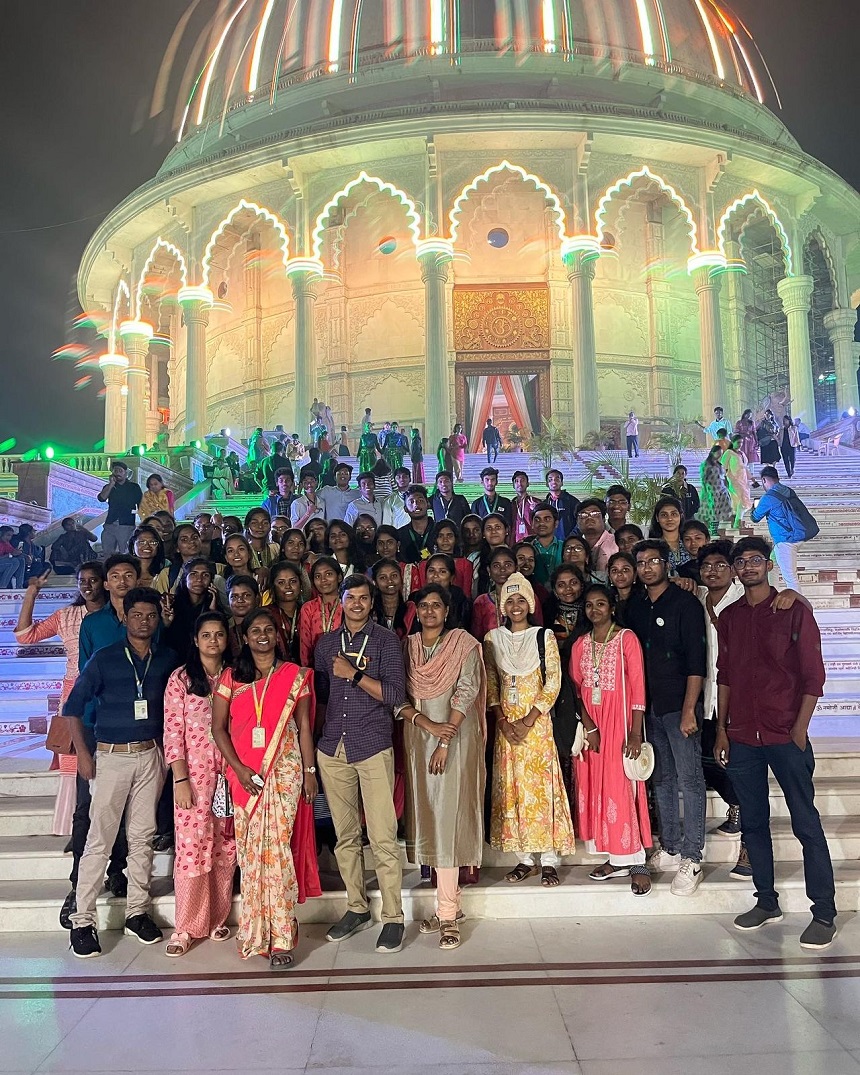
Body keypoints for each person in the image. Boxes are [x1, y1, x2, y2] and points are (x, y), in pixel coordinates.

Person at [716, 536, 835, 948]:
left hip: (785, 733)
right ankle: (766, 901)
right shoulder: (729, 617)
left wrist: (799, 730)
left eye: (755, 560)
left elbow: (813, 677)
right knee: (753, 822)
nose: (747, 567)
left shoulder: (793, 610)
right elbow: (725, 675)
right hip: (743, 736)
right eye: (740, 562)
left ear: (768, 565)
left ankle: (824, 912)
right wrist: (722, 730)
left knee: (805, 822)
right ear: (735, 571)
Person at [64, 587, 180, 957]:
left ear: (158, 619)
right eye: (137, 615)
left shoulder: (167, 659)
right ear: (125, 617)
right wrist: (84, 755)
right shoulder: (105, 658)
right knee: (100, 839)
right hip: (111, 756)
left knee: (142, 837)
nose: (144, 621)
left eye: (151, 615)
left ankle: (137, 912)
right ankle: (83, 920)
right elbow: (72, 708)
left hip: (151, 756)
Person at [212, 608, 320, 968]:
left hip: (285, 770)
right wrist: (239, 769)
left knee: (278, 851)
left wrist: (310, 771)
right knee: (250, 855)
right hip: (245, 775)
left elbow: (305, 728)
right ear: (244, 637)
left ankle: (282, 938)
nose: (262, 635)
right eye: (255, 630)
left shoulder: (295, 676)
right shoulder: (231, 677)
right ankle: (255, 934)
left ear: (277, 635)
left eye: (268, 629)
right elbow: (218, 729)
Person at [314, 574, 407, 952]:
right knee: (346, 837)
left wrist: (354, 675)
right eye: (350, 597)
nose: (356, 603)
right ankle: (357, 907)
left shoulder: (386, 640)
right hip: (333, 748)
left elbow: (395, 694)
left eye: (363, 598)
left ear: (372, 602)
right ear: (341, 601)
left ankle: (393, 916)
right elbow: (321, 695)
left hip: (371, 745)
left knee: (383, 837)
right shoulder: (325, 644)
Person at [398, 585, 486, 949]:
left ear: (447, 611)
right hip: (418, 742)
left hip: (455, 741)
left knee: (447, 821)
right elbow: (398, 696)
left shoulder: (463, 644)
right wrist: (427, 729)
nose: (430, 611)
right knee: (432, 820)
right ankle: (450, 905)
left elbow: (467, 691)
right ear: (416, 611)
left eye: (436, 605)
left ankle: (448, 915)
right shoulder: (408, 646)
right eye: (424, 606)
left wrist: (445, 740)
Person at [627, 540, 707, 896]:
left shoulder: (685, 603)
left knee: (690, 778)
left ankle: (692, 856)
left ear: (667, 563)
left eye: (653, 561)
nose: (647, 567)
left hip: (679, 705)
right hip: (650, 706)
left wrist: (690, 709)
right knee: (661, 777)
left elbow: (696, 661)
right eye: (641, 562)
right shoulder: (635, 605)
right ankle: (671, 846)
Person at [485, 573, 574, 886]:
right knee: (511, 790)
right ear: (502, 606)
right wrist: (502, 720)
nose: (515, 605)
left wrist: (528, 720)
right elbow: (491, 683)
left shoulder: (543, 636)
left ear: (530, 604)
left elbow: (553, 682)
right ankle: (524, 858)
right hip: (506, 727)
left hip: (536, 725)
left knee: (541, 789)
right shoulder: (492, 639)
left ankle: (548, 859)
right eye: (509, 600)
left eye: (521, 599)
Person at [162, 612, 237, 956]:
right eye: (206, 635)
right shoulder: (181, 679)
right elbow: (172, 732)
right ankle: (186, 927)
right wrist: (180, 778)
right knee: (192, 849)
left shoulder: (236, 676)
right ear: (195, 640)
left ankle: (217, 918)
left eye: (219, 634)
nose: (213, 641)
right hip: (193, 777)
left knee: (225, 846)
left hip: (231, 774)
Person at [571, 584, 652, 895]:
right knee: (597, 786)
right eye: (589, 605)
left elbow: (638, 687)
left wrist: (635, 733)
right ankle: (615, 858)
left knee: (621, 787)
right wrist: (589, 725)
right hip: (593, 727)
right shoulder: (580, 644)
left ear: (612, 607)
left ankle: (636, 860)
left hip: (620, 724)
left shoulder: (626, 639)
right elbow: (576, 689)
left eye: (601, 604)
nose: (595, 610)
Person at [16, 562, 107, 837]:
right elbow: (25, 636)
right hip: (75, 694)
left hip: (111, 693)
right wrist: (31, 593)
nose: (87, 585)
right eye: (82, 580)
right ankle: (74, 829)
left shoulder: (116, 614)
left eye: (93, 580)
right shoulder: (66, 616)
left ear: (104, 583)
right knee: (73, 758)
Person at [750, 466, 814, 591]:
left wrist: (754, 507)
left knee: (790, 578)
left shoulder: (768, 498)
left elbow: (755, 517)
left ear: (764, 480)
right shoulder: (788, 490)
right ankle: (772, 594)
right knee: (771, 564)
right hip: (798, 535)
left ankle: (798, 602)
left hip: (785, 541)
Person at [160, 558, 221, 656]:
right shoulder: (172, 606)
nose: (199, 579)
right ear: (185, 579)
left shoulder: (214, 607)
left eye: (205, 575)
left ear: (211, 581)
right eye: (193, 574)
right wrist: (166, 624)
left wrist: (213, 611)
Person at [298, 556, 344, 665]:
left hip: (345, 666)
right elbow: (305, 646)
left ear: (339, 577)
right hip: (317, 668)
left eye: (328, 574)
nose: (323, 580)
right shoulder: (308, 608)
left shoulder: (348, 605)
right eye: (318, 576)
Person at [98, 462, 143, 556]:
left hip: (126, 525)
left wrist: (144, 521)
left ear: (125, 473)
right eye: (115, 470)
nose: (117, 473)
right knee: (107, 552)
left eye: (120, 471)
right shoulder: (109, 487)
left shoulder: (134, 487)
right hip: (110, 523)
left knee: (125, 552)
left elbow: (141, 505)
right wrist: (111, 485)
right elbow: (101, 498)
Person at [263, 561, 303, 661]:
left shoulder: (309, 611)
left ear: (300, 584)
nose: (288, 586)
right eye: (281, 582)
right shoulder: (265, 614)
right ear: (273, 586)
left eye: (293, 581)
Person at [648, 495, 691, 575]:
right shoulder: (652, 546)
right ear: (657, 518)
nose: (669, 519)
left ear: (681, 516)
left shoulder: (690, 541)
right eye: (664, 515)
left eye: (674, 514)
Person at [576, 499, 618, 573]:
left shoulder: (616, 542)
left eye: (595, 514)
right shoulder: (574, 546)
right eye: (583, 515)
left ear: (603, 519)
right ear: (577, 522)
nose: (589, 518)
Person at [699, 445, 733, 534]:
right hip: (711, 490)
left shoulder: (719, 464)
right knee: (713, 510)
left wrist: (726, 485)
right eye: (718, 453)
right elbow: (703, 479)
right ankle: (712, 529)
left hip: (721, 489)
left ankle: (715, 528)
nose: (719, 455)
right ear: (712, 453)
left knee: (721, 509)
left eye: (720, 453)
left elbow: (723, 476)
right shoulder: (706, 464)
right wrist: (705, 491)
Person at [397, 485, 434, 564]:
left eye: (420, 500)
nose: (416, 505)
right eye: (411, 502)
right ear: (405, 508)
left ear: (428, 504)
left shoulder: (439, 530)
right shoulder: (399, 535)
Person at [722, 435, 753, 527]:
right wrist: (725, 480)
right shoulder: (728, 453)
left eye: (741, 442)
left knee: (741, 500)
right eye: (738, 442)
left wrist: (752, 479)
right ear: (733, 442)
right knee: (742, 499)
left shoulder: (742, 453)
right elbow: (723, 468)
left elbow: (744, 467)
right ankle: (737, 522)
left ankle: (736, 519)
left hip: (743, 480)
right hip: (733, 479)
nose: (740, 444)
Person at [528, 504, 563, 586]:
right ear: (532, 524)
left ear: (556, 523)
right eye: (537, 520)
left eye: (547, 519)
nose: (541, 523)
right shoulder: (526, 549)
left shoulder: (565, 547)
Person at [226, 575, 260, 657]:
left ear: (257, 599)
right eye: (234, 596)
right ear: (228, 601)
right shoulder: (223, 628)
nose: (240, 600)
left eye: (246, 595)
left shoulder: (265, 626)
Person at [542, 470, 580, 540]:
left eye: (557, 479)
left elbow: (580, 522)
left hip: (568, 542)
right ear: (547, 484)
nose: (554, 482)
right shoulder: (544, 504)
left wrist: (571, 538)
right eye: (550, 480)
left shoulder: (572, 501)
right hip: (549, 542)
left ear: (562, 483)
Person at [511, 471, 540, 543]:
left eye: (522, 480)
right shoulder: (511, 505)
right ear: (513, 485)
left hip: (533, 541)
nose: (519, 483)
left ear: (528, 484)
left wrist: (536, 509)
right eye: (516, 481)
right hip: (515, 543)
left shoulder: (535, 502)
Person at [780, 414, 800, 478]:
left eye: (786, 420)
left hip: (792, 445)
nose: (784, 422)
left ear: (789, 420)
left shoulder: (794, 428)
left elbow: (796, 437)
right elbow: (779, 437)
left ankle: (792, 468)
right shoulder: (781, 429)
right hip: (783, 446)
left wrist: (798, 444)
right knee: (785, 460)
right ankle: (788, 473)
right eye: (783, 420)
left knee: (792, 458)